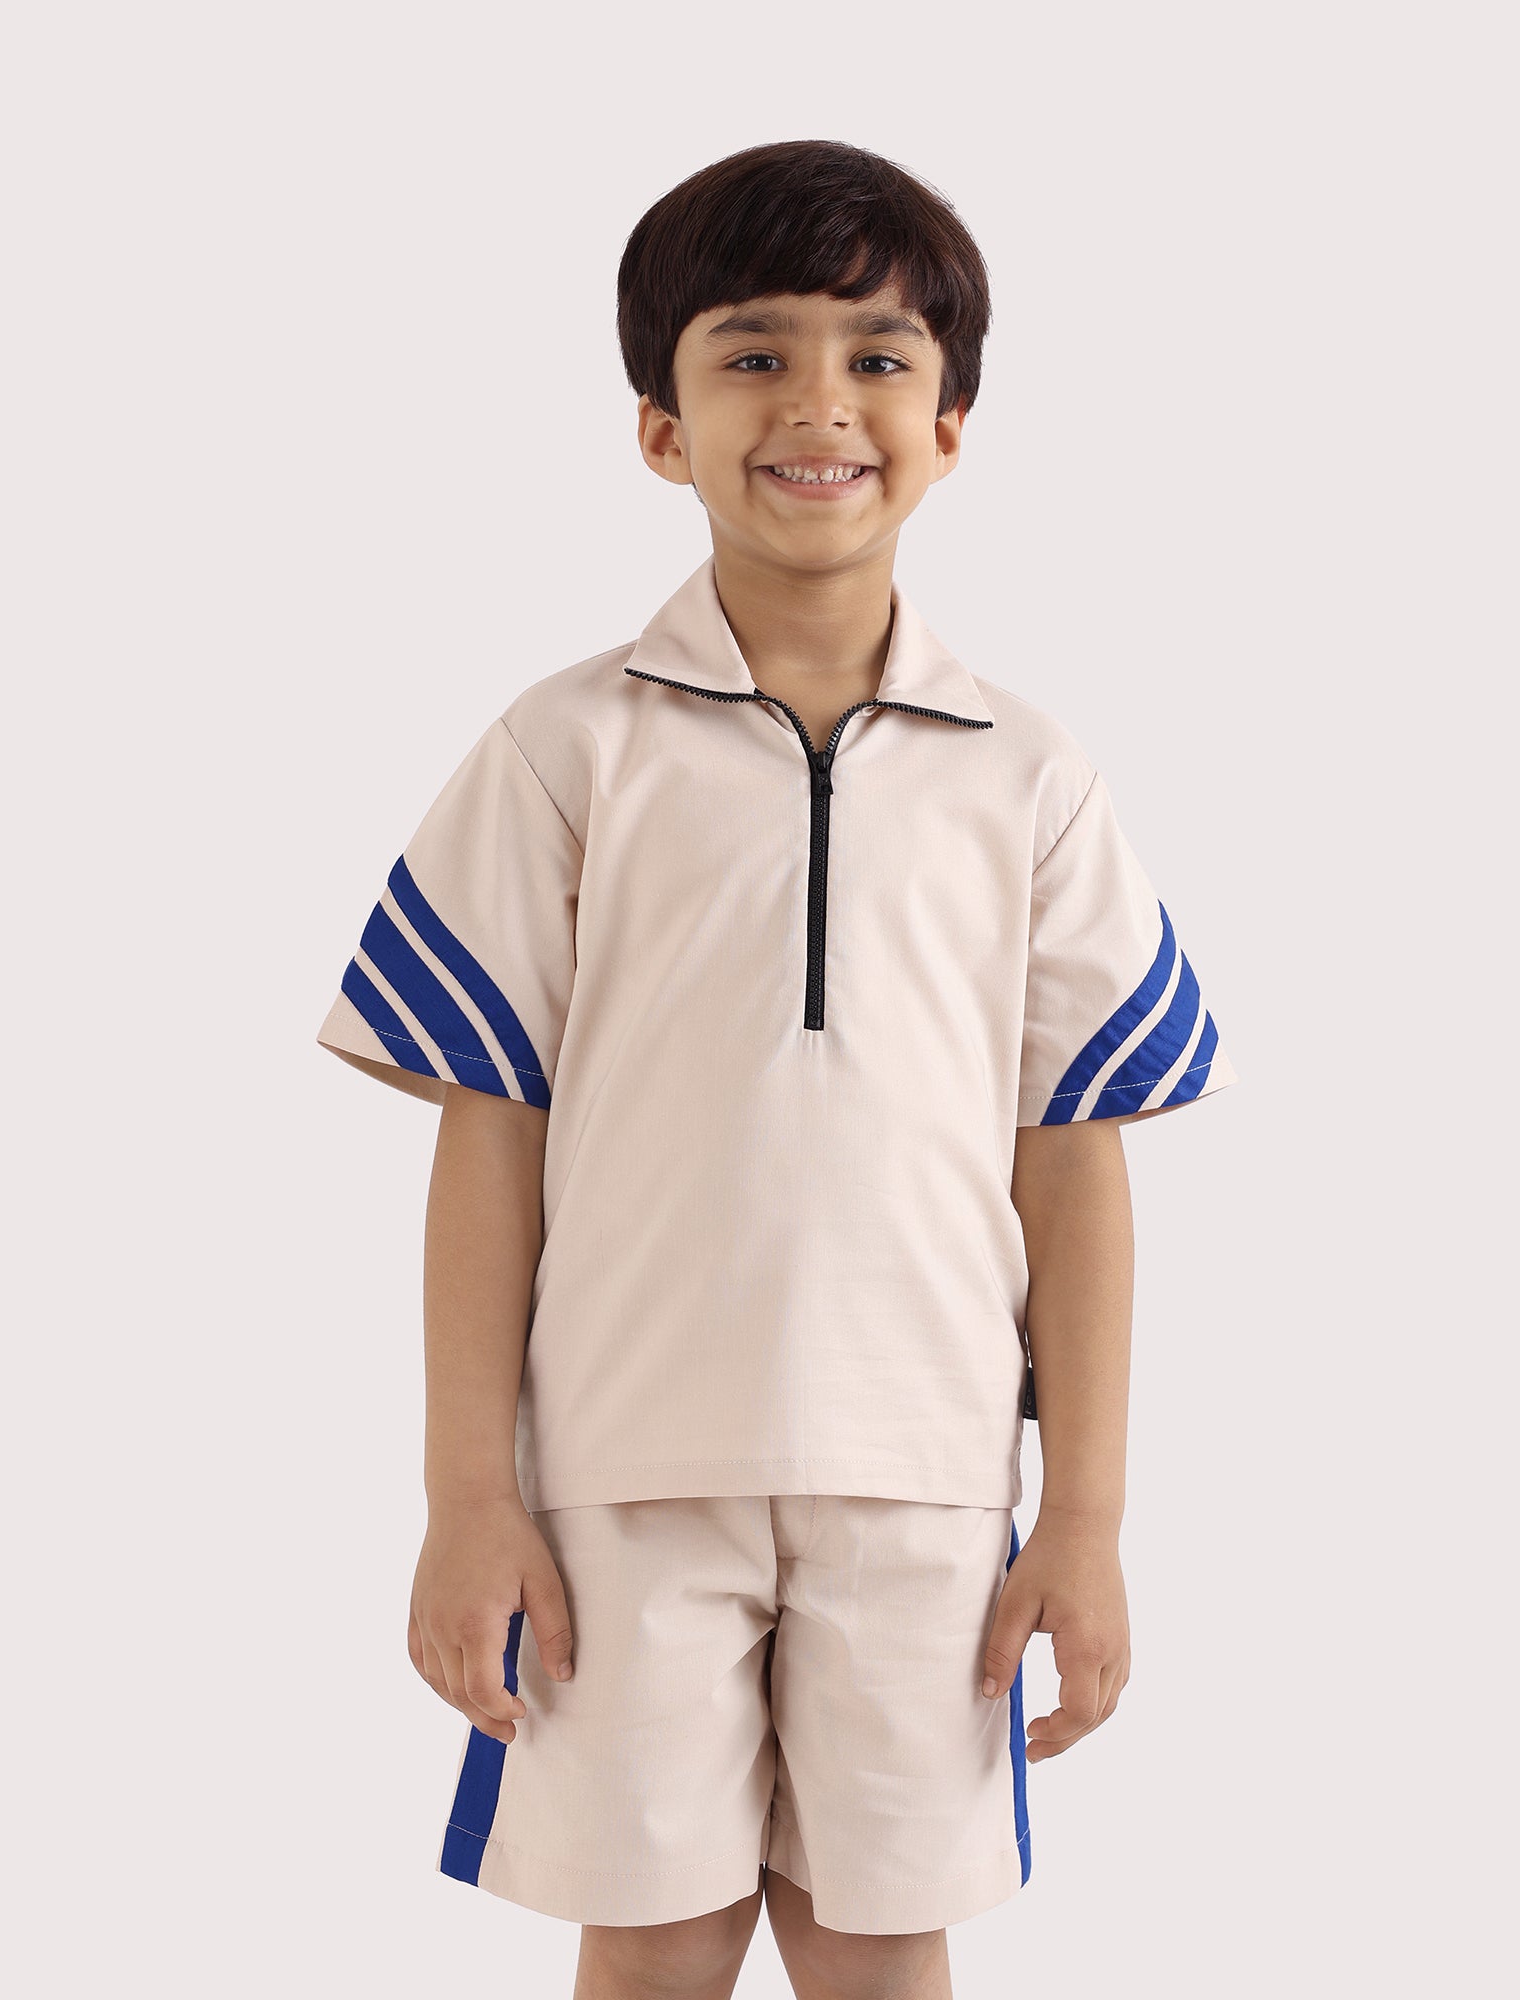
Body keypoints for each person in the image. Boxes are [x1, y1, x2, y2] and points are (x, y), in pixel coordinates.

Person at [317, 138, 1236, 2000]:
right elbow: (490, 1131)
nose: (819, 402)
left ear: (950, 426)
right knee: (653, 1942)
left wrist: (1086, 1520)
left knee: (879, 1947)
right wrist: (467, 1496)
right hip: (618, 1476)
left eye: (877, 357)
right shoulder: (566, 749)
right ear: (662, 427)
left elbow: (1074, 1157)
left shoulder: (1029, 776)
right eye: (755, 354)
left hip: (927, 1477)